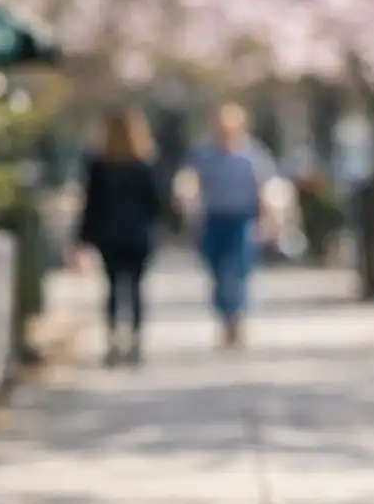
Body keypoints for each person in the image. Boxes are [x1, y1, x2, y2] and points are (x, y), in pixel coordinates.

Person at [76, 108, 164, 367]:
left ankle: (114, 340)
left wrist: (83, 237)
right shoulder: (144, 164)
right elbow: (155, 204)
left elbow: (91, 205)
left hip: (109, 235)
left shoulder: (99, 166)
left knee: (113, 287)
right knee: (135, 288)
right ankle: (135, 341)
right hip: (138, 234)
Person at [184, 102, 275, 347]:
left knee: (236, 271)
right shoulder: (203, 154)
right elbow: (191, 181)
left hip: (241, 219)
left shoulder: (252, 154)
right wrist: (188, 204)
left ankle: (236, 317)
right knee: (216, 271)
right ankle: (225, 315)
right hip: (213, 218)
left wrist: (268, 220)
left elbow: (263, 188)